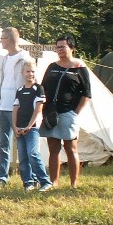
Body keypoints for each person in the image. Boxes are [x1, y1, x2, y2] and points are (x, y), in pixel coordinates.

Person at [39, 34, 92, 189]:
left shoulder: (79, 68)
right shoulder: (52, 66)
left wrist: (75, 113)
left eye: (63, 47)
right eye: (58, 47)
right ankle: (53, 182)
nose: (59, 50)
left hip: (69, 112)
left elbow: (87, 93)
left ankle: (73, 184)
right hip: (51, 113)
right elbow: (43, 88)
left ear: (71, 48)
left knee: (71, 148)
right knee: (53, 149)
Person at [0, 27, 31, 187]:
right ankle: (2, 178)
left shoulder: (24, 58)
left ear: (9, 39)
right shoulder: (5, 58)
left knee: (23, 144)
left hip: (18, 107)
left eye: (2, 38)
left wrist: (24, 103)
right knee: (3, 144)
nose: (0, 41)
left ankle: (28, 179)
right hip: (4, 106)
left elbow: (29, 81)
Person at [12, 61, 53, 192]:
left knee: (33, 154)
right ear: (23, 73)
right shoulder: (19, 90)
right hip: (20, 128)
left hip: (32, 128)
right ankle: (28, 182)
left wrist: (29, 126)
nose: (30, 74)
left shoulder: (38, 89)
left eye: (33, 71)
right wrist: (14, 126)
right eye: (28, 71)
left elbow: (38, 109)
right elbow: (15, 109)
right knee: (23, 157)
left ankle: (45, 181)